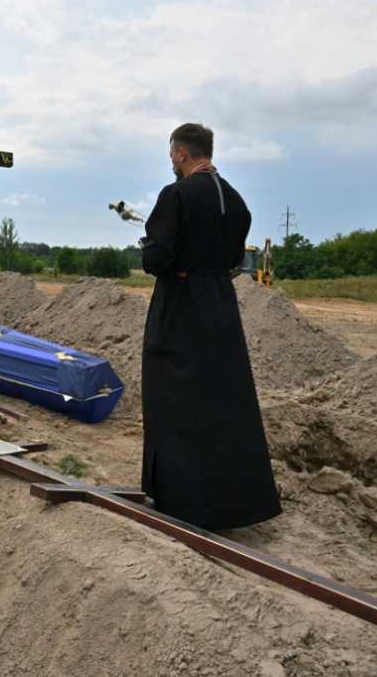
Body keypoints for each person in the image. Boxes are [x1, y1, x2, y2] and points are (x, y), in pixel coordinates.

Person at [140, 122, 281, 530]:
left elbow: (159, 258)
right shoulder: (237, 201)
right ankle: (234, 503)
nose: (171, 162)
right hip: (220, 304)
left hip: (181, 306)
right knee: (222, 401)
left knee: (174, 395)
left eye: (171, 155)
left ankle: (181, 501)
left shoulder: (177, 194)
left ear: (182, 154)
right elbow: (234, 255)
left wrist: (149, 251)